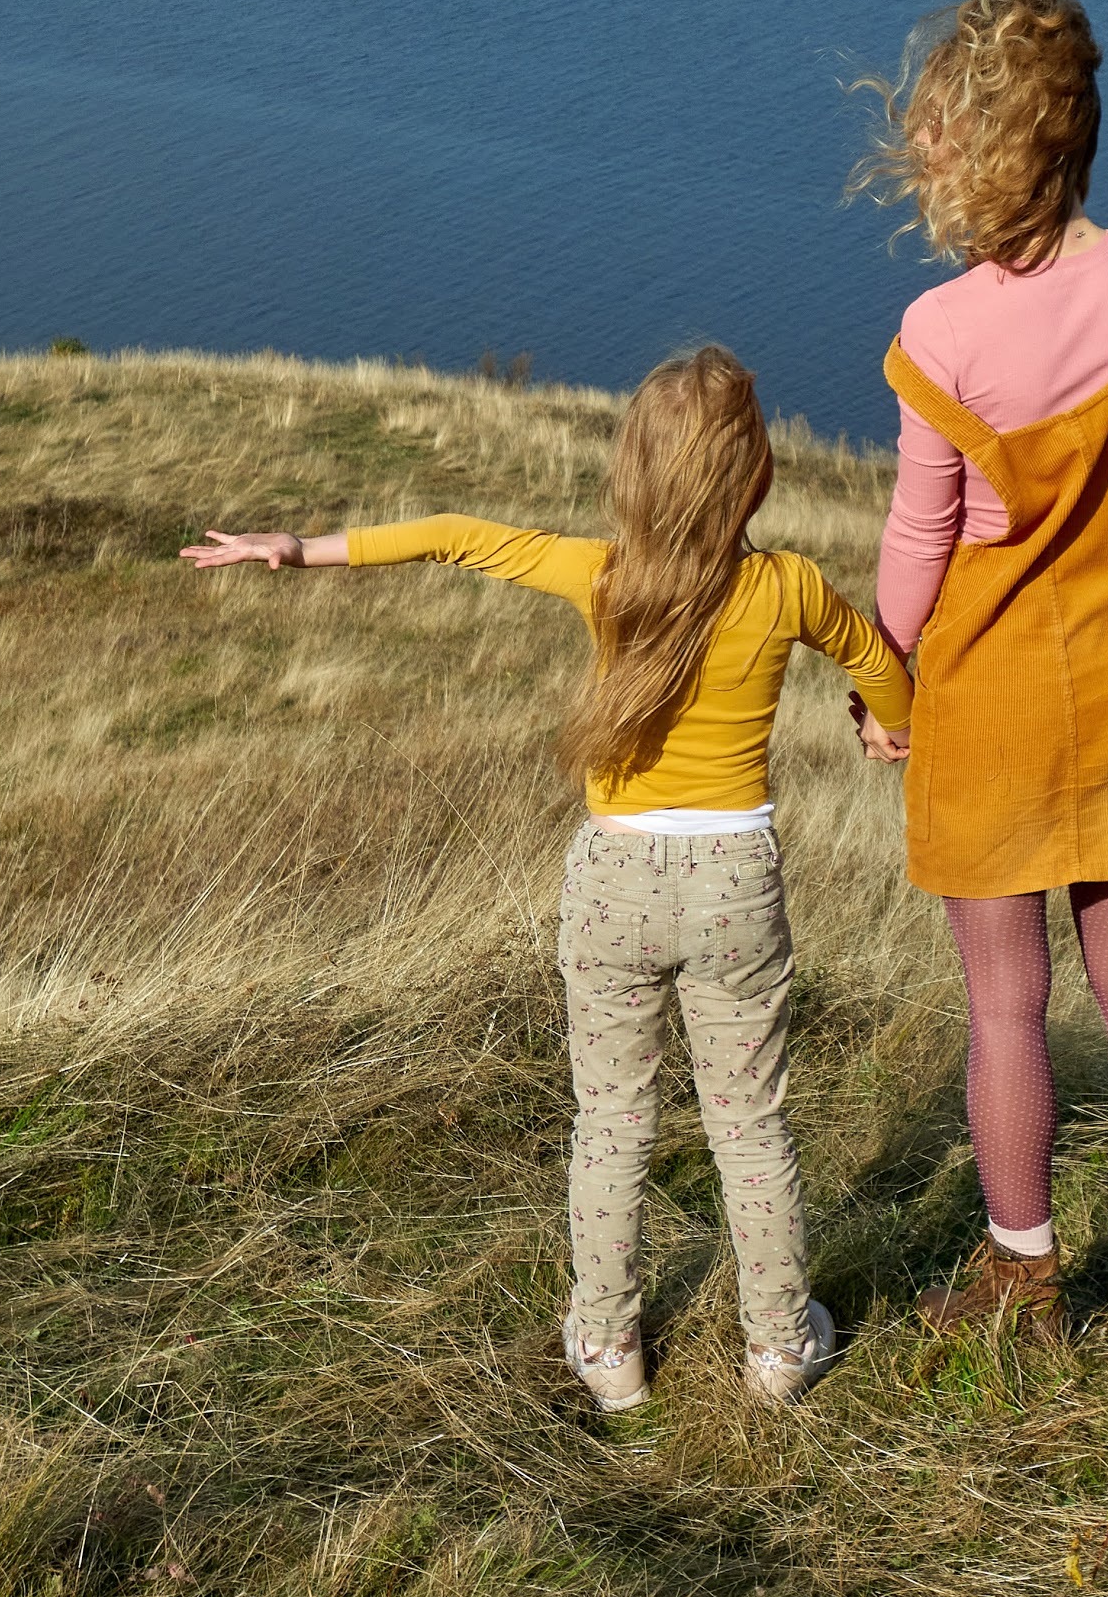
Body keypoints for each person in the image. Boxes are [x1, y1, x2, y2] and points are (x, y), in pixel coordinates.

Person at [181, 344, 912, 1412]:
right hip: (732, 883)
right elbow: (878, 661)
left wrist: (296, 549)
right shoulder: (786, 584)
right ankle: (776, 1351)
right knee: (749, 1125)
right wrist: (888, 728)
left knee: (611, 1119)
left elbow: (454, 536)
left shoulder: (601, 574)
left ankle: (609, 1349)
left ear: (635, 473)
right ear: (751, 474)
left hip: (614, 879)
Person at [849, 0, 1108, 1335]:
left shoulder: (940, 334)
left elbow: (918, 540)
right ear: (1074, 130)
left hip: (988, 698)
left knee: (1005, 1002)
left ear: (960, 145)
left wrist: (879, 681)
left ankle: (1024, 1277)